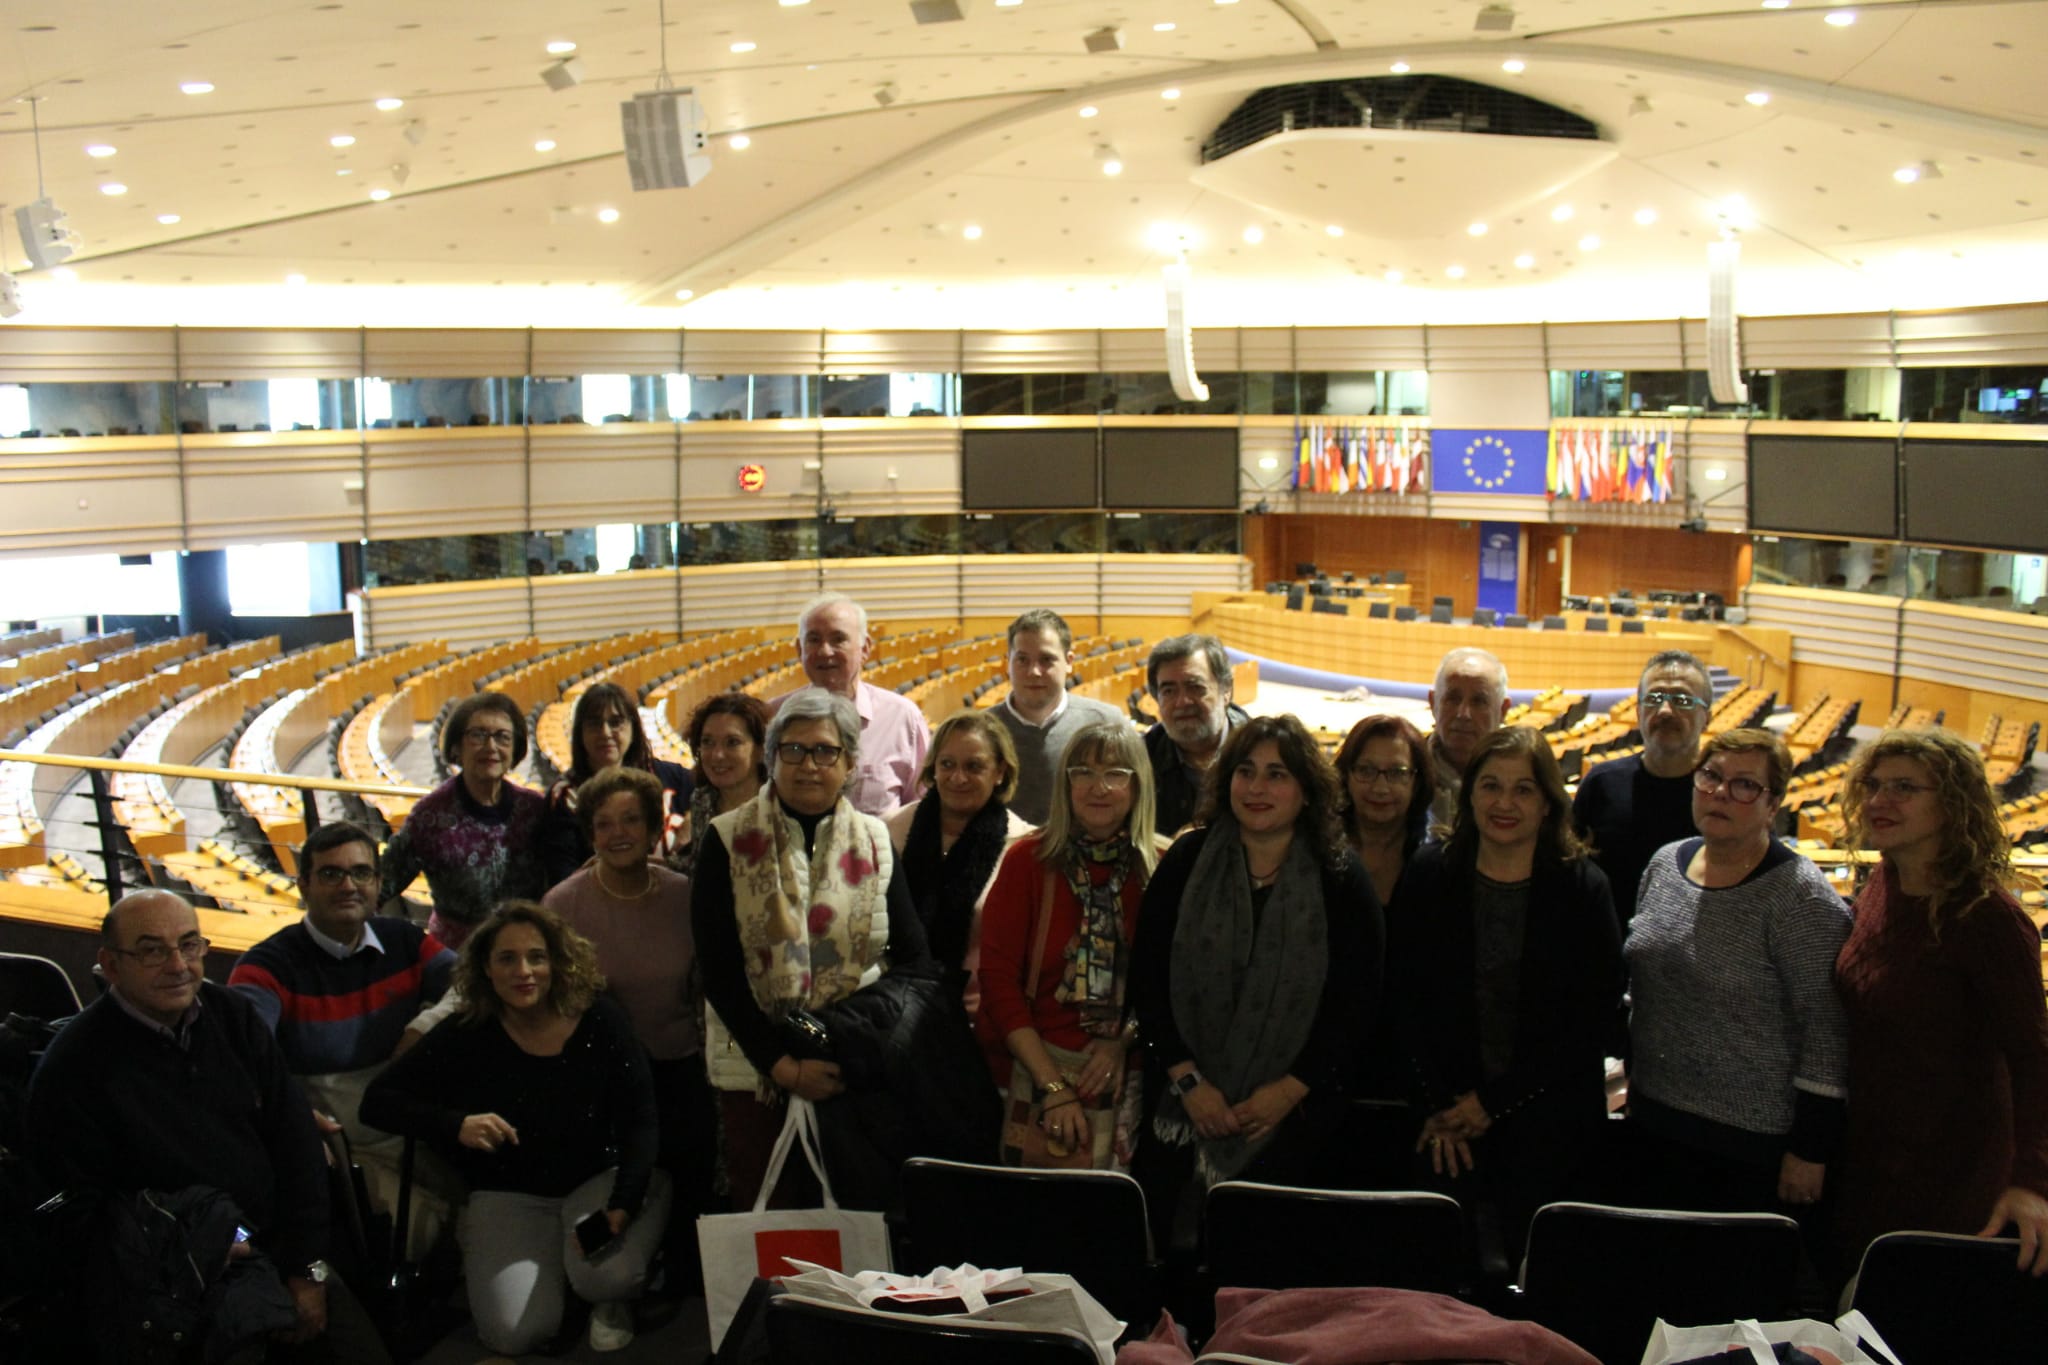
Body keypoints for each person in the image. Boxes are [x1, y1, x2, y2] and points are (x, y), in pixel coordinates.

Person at [27, 890, 390, 1365]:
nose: (178, 965)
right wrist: (212, 1244)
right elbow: (80, 1216)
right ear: (111, 966)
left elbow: (296, 1144)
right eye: (152, 950)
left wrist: (305, 1269)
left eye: (190, 945)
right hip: (175, 1277)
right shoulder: (74, 1067)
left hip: (276, 1248)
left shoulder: (233, 1016)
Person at [361, 903, 668, 1355]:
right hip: (509, 1195)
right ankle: (550, 1268)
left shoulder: (600, 1018)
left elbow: (642, 1121)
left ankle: (604, 1296)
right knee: (514, 1334)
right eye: (507, 959)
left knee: (606, 1276)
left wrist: (621, 1208)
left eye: (536, 957)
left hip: (597, 1182)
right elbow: (377, 1102)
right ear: (486, 968)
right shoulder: (468, 1029)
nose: (523, 971)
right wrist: (455, 1124)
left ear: (555, 962)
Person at [1130, 714, 1382, 1247]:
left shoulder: (1341, 877)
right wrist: (1191, 1085)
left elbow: (1355, 1003)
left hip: (1296, 1118)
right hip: (1183, 1108)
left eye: (1277, 774)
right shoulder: (1186, 861)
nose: (1257, 788)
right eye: (1246, 771)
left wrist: (1286, 1093)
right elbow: (1147, 983)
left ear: (1307, 792)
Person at [689, 686, 931, 1209]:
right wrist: (784, 1066)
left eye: (826, 751)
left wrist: (853, 1045)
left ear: (848, 763)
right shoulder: (726, 838)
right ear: (771, 757)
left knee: (856, 1214)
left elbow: (912, 962)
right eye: (792, 750)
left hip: (852, 1070)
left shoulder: (874, 840)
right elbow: (720, 972)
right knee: (776, 1216)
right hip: (755, 1071)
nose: (808, 765)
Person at [1390, 726, 1623, 1251]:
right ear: (1469, 794)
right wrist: (1443, 1109)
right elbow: (1405, 1000)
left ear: (1547, 803)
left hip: (1548, 1121)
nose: (1504, 802)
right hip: (1444, 1122)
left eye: (1523, 789)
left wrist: (1491, 1104)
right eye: (1491, 785)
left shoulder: (1584, 889)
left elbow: (1591, 1021)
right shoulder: (1431, 872)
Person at [1834, 727, 2048, 1274]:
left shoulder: (1989, 919)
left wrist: (2032, 1182)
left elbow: (2034, 1058)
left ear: (1954, 805)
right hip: (1871, 1154)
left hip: (1953, 1168)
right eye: (1874, 785)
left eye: (1905, 788)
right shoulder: (1882, 882)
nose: (1880, 801)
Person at [1624, 728, 1851, 1222]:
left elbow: (1828, 1032)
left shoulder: (1799, 897)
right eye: (1711, 776)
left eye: (1745, 785)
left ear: (1774, 804)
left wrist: (1811, 1150)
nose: (1722, 793)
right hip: (1653, 1117)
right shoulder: (1666, 863)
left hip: (1747, 1145)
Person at [228, 821, 458, 1255]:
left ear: (377, 882)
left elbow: (475, 982)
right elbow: (240, 1050)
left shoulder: (406, 939)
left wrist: (423, 1025)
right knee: (420, 1236)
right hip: (350, 1148)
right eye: (331, 874)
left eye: (361, 873)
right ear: (304, 885)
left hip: (418, 1130)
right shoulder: (267, 966)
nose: (348, 885)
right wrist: (291, 1116)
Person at [543, 765, 717, 1281]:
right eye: (603, 824)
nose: (617, 834)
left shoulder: (684, 895)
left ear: (654, 828)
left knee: (691, 1182)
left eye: (630, 821)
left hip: (681, 1068)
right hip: (604, 1083)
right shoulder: (562, 905)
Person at [978, 721, 1157, 1169]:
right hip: (1030, 1070)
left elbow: (1170, 986)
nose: (1099, 787)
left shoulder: (1159, 868)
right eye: (1084, 772)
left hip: (1126, 1081)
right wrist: (1053, 1087)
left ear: (1137, 786)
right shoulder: (1027, 861)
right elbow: (998, 982)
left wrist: (1122, 1042)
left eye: (1116, 774)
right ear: (1066, 783)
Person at [884, 709, 1033, 1010]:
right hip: (892, 1006)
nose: (958, 778)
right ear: (933, 768)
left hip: (984, 1015)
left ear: (1000, 772)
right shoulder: (891, 830)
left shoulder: (1023, 846)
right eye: (947, 764)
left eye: (974, 766)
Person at [378, 689, 548, 948]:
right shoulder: (430, 815)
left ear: (515, 750)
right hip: (458, 960)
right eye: (478, 735)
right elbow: (381, 884)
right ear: (456, 747)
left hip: (525, 955)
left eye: (502, 737)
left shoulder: (535, 809)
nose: (491, 747)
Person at [1574, 651, 1715, 929]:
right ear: (1639, 712)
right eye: (1653, 698)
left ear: (1707, 717)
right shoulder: (1601, 783)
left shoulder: (1722, 794)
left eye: (1682, 700)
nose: (1664, 710)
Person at [778, 593, 929, 816]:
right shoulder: (774, 717)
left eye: (838, 639)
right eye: (814, 640)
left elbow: (923, 808)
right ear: (799, 650)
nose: (825, 651)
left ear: (865, 648)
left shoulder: (903, 718)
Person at [539, 682, 693, 885]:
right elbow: (563, 875)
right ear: (580, 733)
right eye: (594, 723)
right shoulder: (565, 795)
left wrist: (693, 820)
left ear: (633, 727)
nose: (605, 732)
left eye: (616, 722)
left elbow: (715, 797)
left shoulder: (672, 776)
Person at [985, 609, 1127, 825]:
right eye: (1022, 660)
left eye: (1046, 660)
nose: (1034, 671)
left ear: (1069, 661)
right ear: (1008, 663)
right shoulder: (981, 730)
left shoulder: (1107, 722)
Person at [1142, 634, 1251, 837]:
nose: (1182, 702)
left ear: (1226, 691)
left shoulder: (1263, 753)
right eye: (1169, 691)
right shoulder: (1141, 759)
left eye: (1195, 687)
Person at [1333, 714, 1436, 905]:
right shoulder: (1318, 848)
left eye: (1397, 773)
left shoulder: (1438, 860)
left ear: (1417, 782)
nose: (1380, 788)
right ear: (1345, 775)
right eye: (1366, 770)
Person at [675, 691, 770, 878]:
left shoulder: (779, 806)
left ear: (761, 750)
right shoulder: (703, 801)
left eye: (732, 742)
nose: (717, 755)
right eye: (707, 742)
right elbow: (699, 870)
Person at [1425, 647, 1510, 829]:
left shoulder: (1527, 782)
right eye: (1452, 699)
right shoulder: (1404, 774)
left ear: (1503, 710)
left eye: (1479, 701)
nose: (1463, 714)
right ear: (1433, 703)